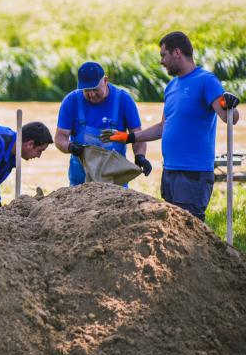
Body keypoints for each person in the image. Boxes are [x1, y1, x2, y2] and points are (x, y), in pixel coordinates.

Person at [102, 31, 240, 221]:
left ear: (176, 52)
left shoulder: (206, 81)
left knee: (189, 231)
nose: (161, 61)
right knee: (171, 231)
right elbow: (162, 127)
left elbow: (229, 117)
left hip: (193, 173)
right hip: (170, 171)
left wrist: (231, 104)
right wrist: (128, 137)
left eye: (163, 55)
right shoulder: (171, 86)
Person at [54, 62, 151, 186]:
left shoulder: (123, 100)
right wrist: (70, 146)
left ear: (105, 81)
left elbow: (138, 135)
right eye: (86, 91)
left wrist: (140, 156)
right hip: (80, 181)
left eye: (95, 89)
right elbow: (59, 137)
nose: (92, 95)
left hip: (115, 181)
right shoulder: (71, 101)